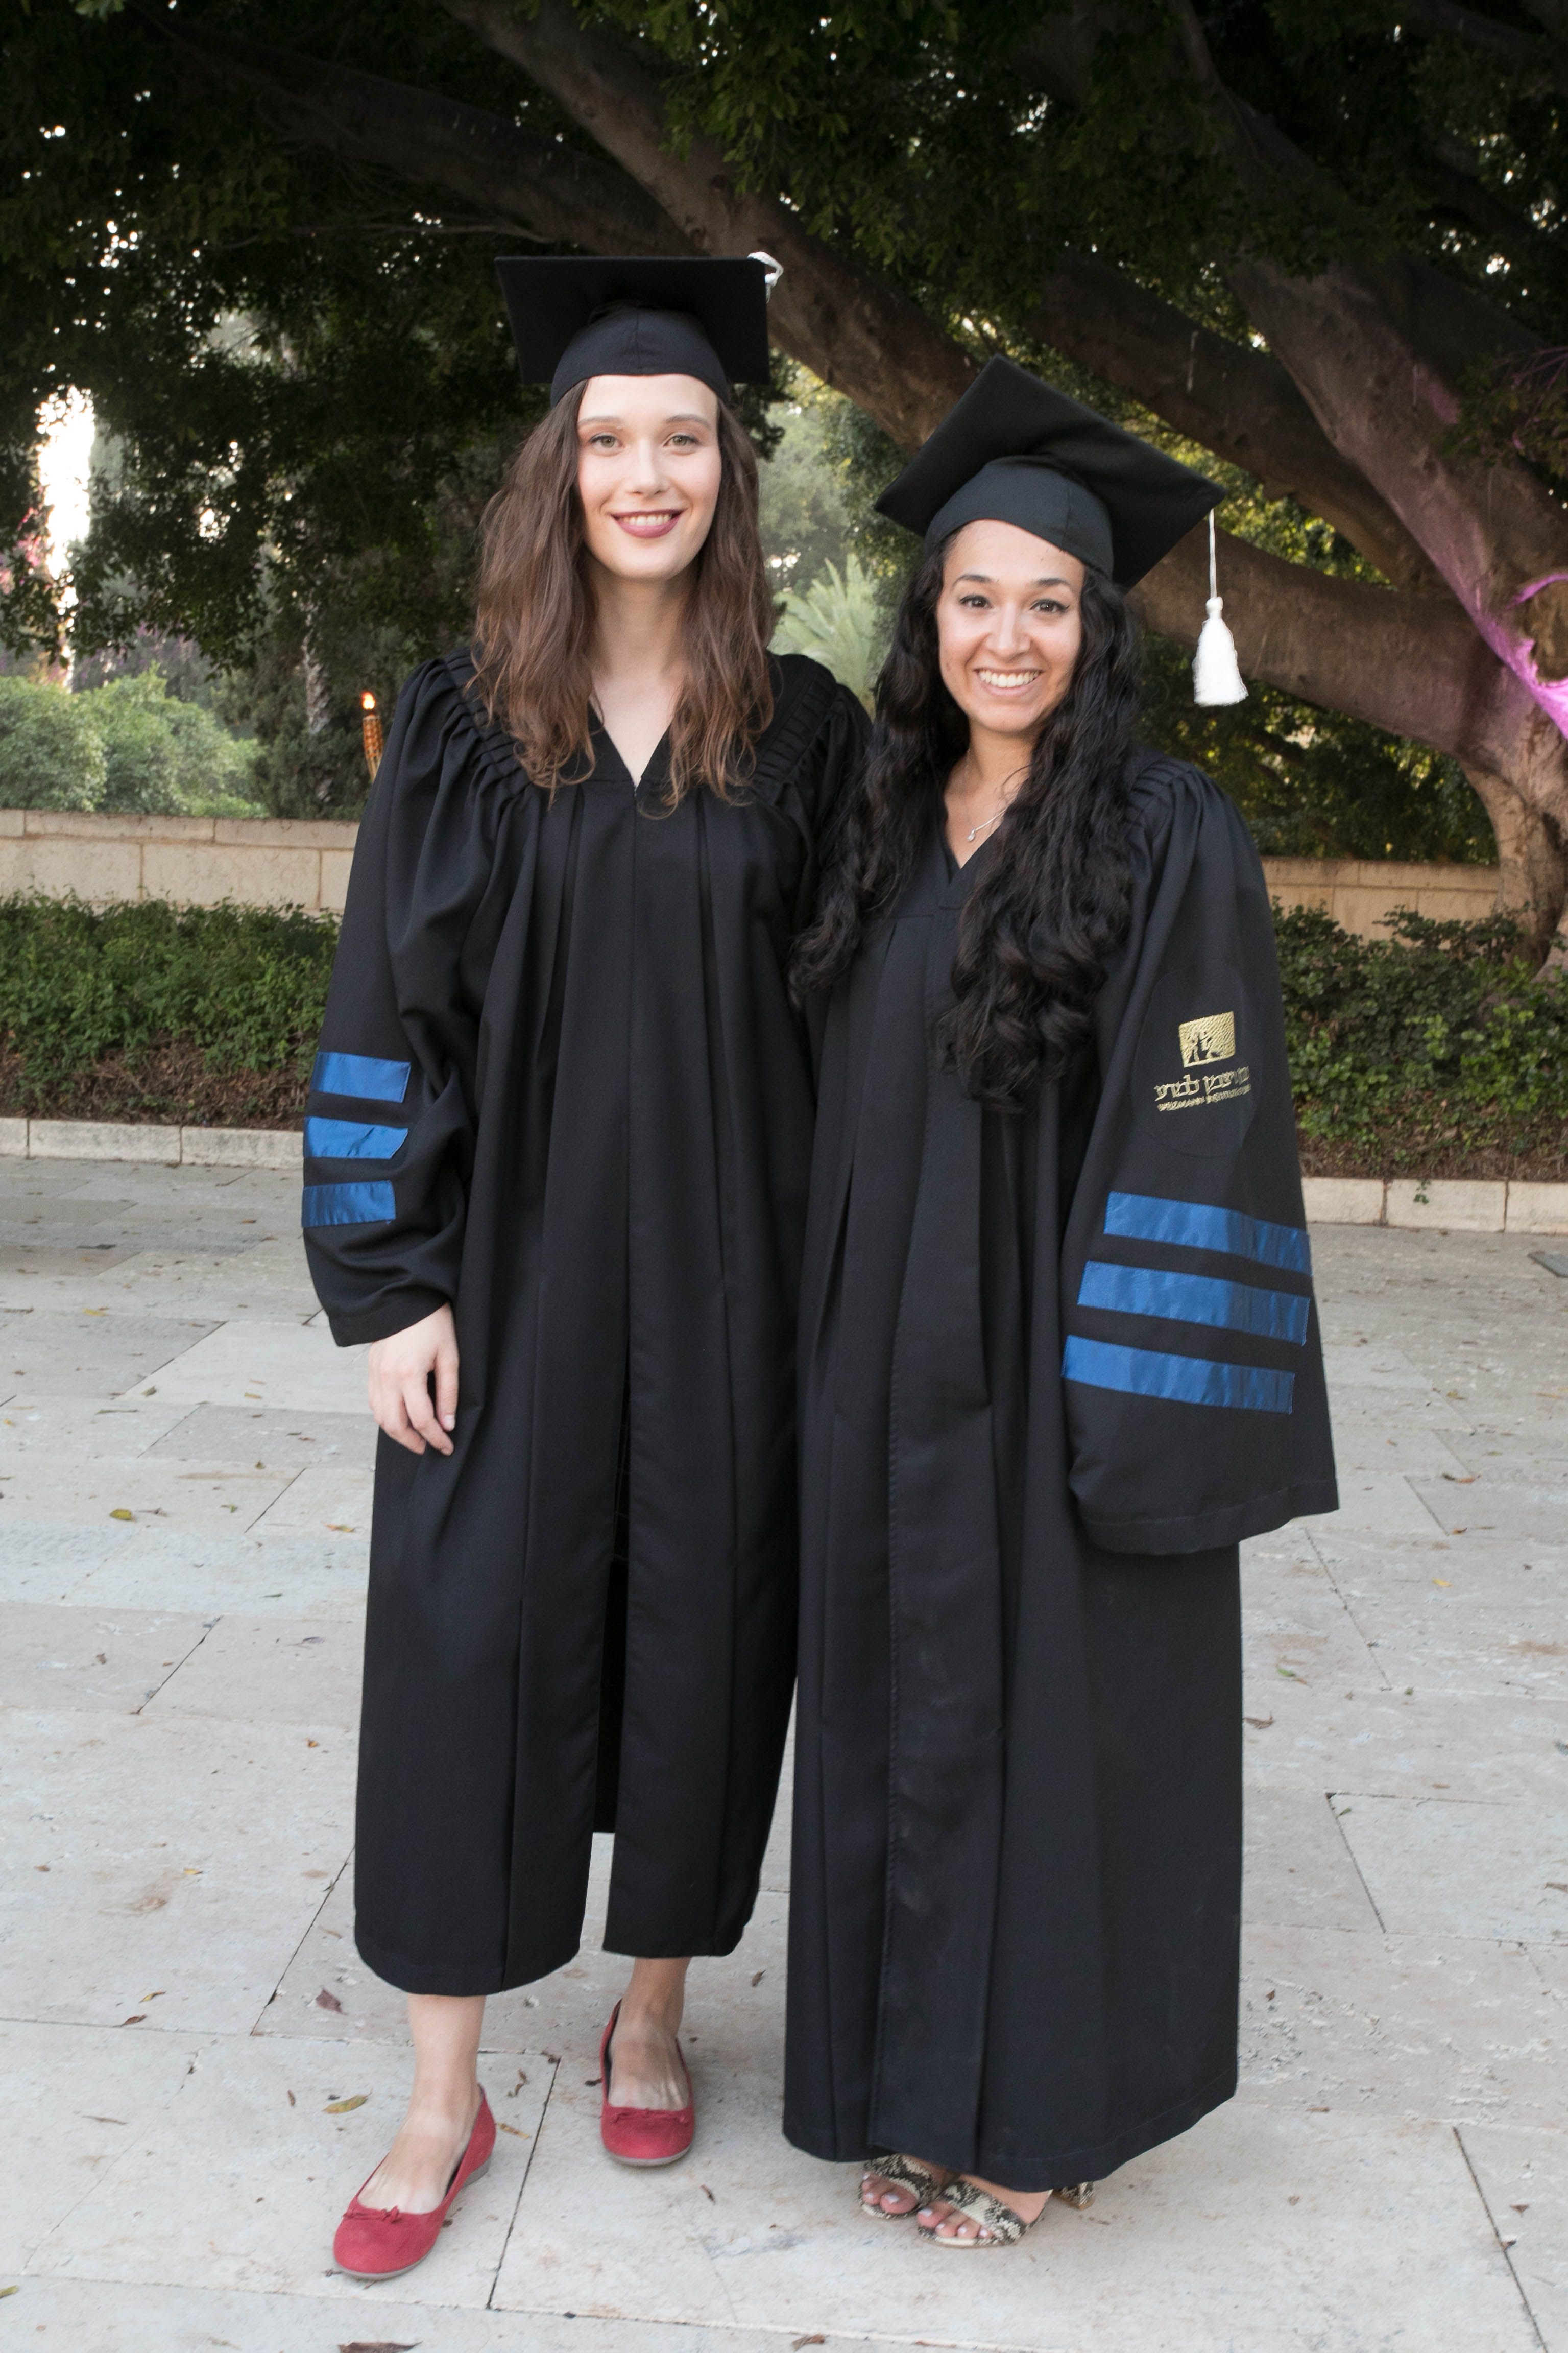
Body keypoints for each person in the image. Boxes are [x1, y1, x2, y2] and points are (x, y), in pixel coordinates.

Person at [301, 255, 866, 2281]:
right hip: (512, 1281)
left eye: (683, 438)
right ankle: (439, 2094)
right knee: (467, 1653)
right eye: (610, 439)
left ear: (729, 470)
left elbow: (870, 1006)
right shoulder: (465, 723)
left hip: (733, 1281)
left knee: (709, 1642)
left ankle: (650, 2012)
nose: (647, 474)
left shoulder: (803, 732)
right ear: (560, 470)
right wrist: (390, 1285)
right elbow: (385, 1011)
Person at [784, 359, 1337, 2247]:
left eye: (1047, 603)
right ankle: (907, 2094)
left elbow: (1206, 1132)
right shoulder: (880, 816)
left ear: (1098, 631)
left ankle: (1041, 2127)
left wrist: (1134, 1405)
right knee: (895, 1711)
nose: (1005, 637)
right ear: (927, 617)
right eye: (974, 597)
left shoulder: (1169, 831)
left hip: (1055, 1369)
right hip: (881, 1368)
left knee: (1058, 1732)